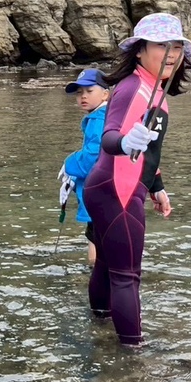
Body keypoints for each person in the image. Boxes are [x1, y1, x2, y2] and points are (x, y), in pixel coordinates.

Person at [82, 13, 191, 347]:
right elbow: (109, 137)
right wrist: (124, 143)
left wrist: (156, 186)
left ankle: (99, 326)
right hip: (116, 190)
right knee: (126, 277)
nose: (172, 53)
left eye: (177, 46)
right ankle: (133, 353)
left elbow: (149, 151)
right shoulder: (133, 87)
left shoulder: (154, 90)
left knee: (106, 265)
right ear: (139, 50)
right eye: (162, 45)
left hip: (117, 188)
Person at [59, 68, 110, 267]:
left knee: (94, 235)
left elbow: (93, 156)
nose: (83, 97)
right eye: (79, 93)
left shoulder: (98, 120)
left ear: (105, 93)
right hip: (106, 190)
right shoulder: (101, 116)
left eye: (89, 91)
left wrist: (69, 165)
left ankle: (93, 272)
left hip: (99, 190)